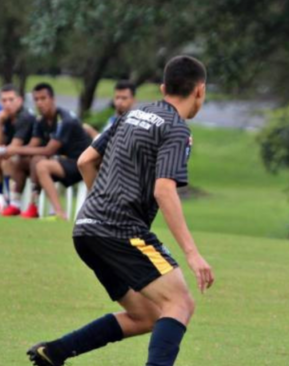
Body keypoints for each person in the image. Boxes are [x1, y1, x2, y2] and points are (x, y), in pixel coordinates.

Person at [27, 55, 214, 366]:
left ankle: (55, 352)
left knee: (147, 316)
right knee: (179, 302)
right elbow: (164, 190)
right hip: (121, 230)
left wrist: (100, 203)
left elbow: (86, 160)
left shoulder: (133, 114)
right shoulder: (176, 129)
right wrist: (193, 254)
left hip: (86, 228)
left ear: (163, 87)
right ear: (200, 91)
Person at [0, 83, 92, 219]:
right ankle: (17, 204)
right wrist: (14, 152)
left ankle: (59, 213)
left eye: (43, 98)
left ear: (53, 99)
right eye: (36, 99)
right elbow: (32, 146)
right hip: (61, 161)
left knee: (42, 165)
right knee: (24, 161)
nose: (39, 103)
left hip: (80, 163)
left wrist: (12, 149)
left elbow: (49, 150)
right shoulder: (41, 120)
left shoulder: (64, 120)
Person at [0, 84, 36, 211]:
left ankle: (8, 200)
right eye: (4, 100)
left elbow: (14, 147)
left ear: (19, 100)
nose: (7, 103)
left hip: (31, 158)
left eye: (11, 99)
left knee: (7, 161)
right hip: (14, 156)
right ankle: (3, 199)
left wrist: (4, 150)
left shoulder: (25, 117)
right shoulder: (7, 118)